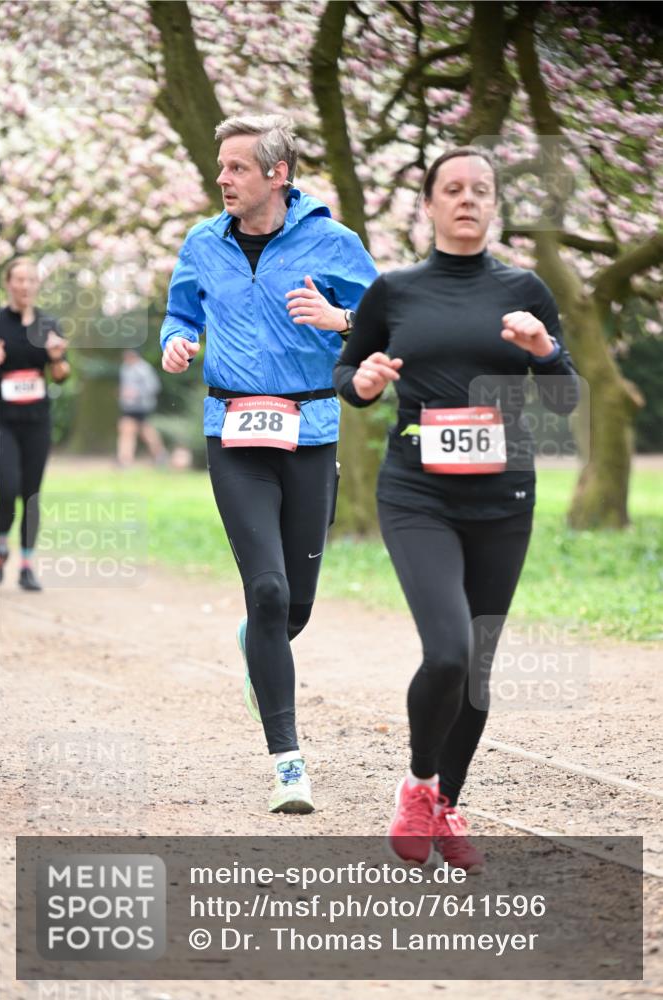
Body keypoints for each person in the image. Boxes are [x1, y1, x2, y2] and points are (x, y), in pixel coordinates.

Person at [334, 147, 579, 871]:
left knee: (476, 667)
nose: (466, 199)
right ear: (430, 205)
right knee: (446, 648)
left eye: (480, 189)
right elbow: (348, 371)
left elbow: (564, 398)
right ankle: (418, 783)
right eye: (452, 189)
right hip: (418, 491)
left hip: (504, 494)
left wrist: (543, 350)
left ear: (493, 204)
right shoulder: (394, 290)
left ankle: (446, 806)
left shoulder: (524, 288)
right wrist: (367, 380)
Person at [160, 114, 377, 814]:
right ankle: (288, 762)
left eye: (237, 168)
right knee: (269, 594)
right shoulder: (201, 243)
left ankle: (260, 645)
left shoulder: (331, 241)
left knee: (296, 607)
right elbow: (179, 312)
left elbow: (386, 316)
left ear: (276, 175)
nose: (221, 178)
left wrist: (340, 320)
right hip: (233, 430)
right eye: (220, 167)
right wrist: (178, 341)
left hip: (310, 430)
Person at [0, 256, 70, 591]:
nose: (25, 286)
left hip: (37, 421)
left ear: (36, 285)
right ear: (8, 283)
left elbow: (61, 375)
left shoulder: (48, 325)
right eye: (19, 280)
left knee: (31, 494)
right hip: (2, 421)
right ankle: (0, 549)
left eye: (31, 280)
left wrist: (56, 359)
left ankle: (26, 565)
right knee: (9, 488)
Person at [117, 348, 167, 467]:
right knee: (133, 429)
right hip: (129, 406)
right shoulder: (125, 368)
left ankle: (126, 460)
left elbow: (154, 387)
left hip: (142, 406)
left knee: (136, 430)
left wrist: (137, 393)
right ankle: (126, 459)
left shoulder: (144, 369)